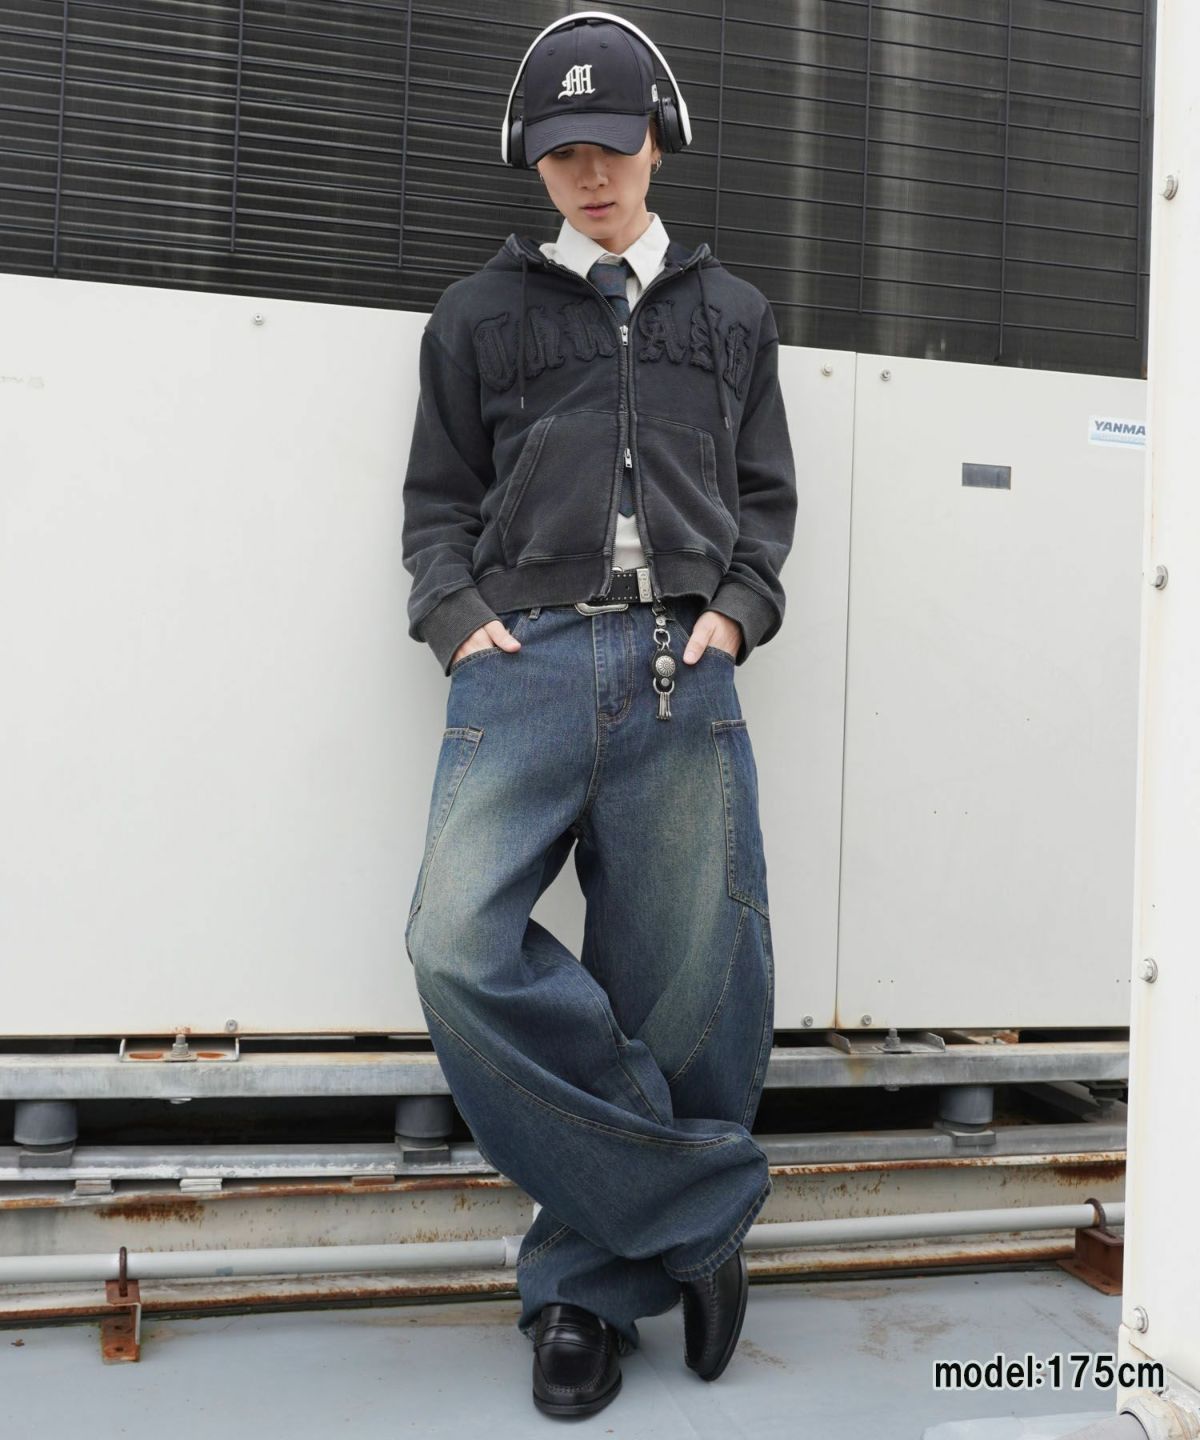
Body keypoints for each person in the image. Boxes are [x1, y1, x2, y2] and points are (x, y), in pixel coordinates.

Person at [400, 12, 797, 1420]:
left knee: (686, 980)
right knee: (455, 946)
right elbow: (436, 504)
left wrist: (737, 610)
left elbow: (767, 504)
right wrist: (458, 618)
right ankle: (700, 1213)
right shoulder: (477, 315)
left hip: (682, 658)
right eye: (564, 153)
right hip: (522, 664)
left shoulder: (733, 315)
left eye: (613, 148)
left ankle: (580, 1293)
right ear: (534, 159)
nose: (590, 176)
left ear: (657, 143)